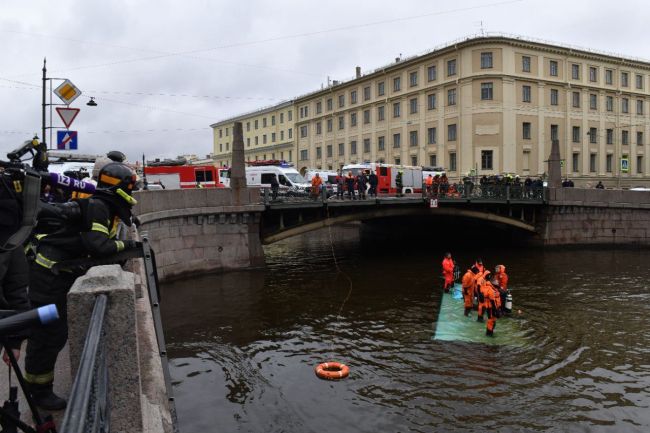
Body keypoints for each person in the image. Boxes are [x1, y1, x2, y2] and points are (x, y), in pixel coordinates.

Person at [24, 162, 140, 410]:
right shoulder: (99, 207)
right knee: (48, 334)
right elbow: (98, 245)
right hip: (48, 277)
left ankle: (38, 387)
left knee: (53, 333)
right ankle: (38, 391)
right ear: (119, 187)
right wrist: (129, 247)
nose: (133, 193)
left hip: (57, 275)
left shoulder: (102, 205)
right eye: (130, 187)